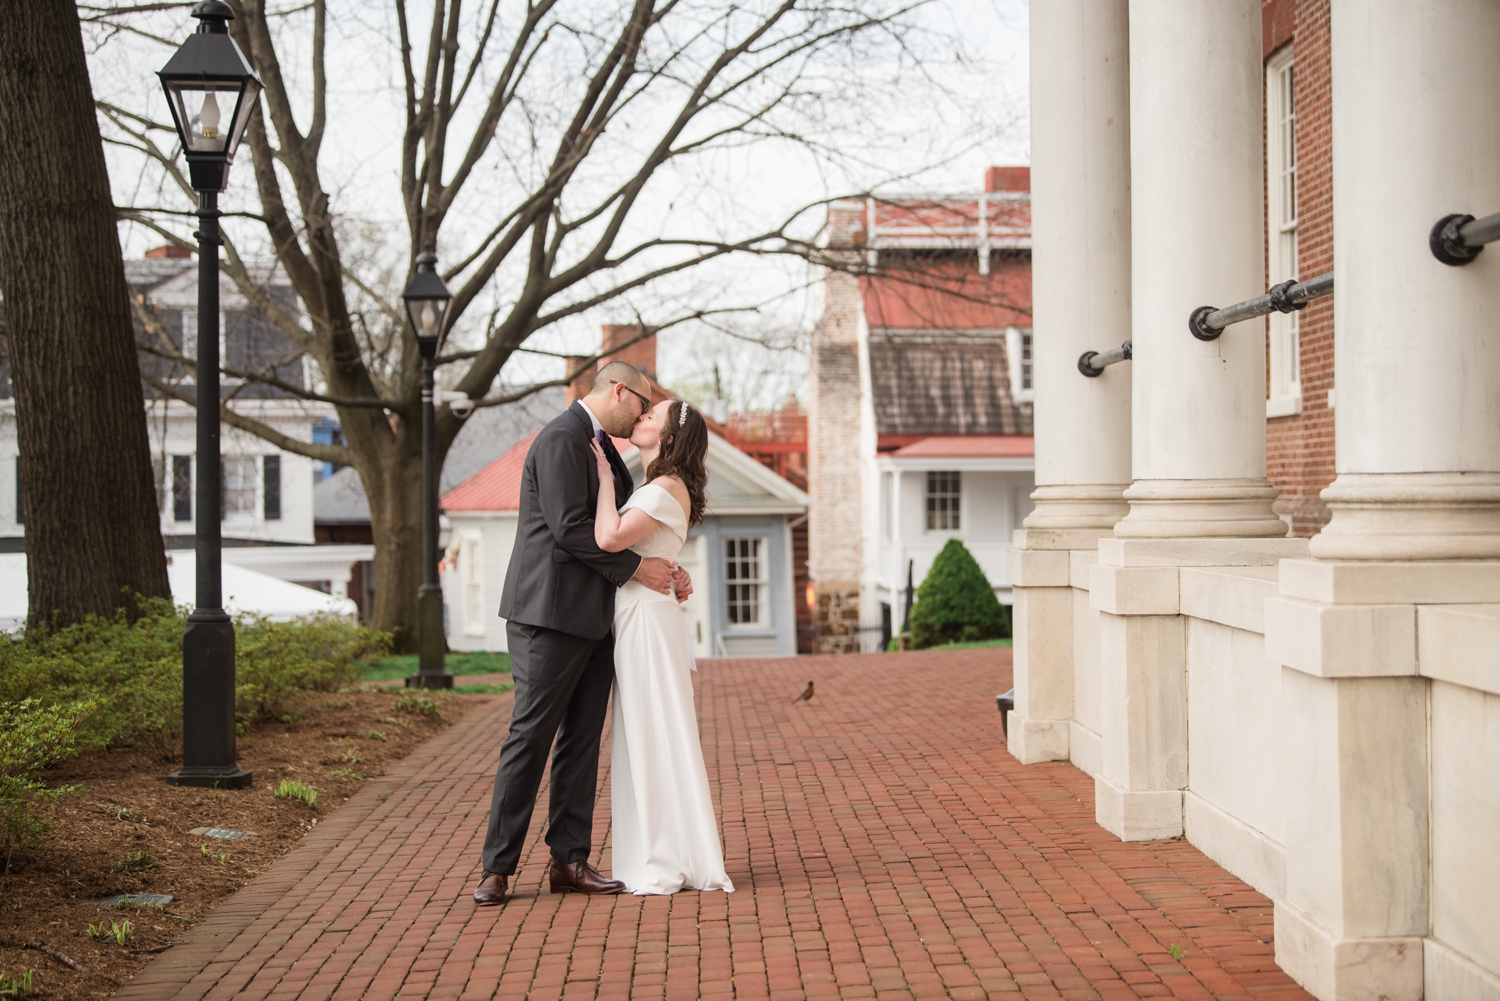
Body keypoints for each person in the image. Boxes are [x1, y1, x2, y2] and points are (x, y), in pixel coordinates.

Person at [472, 362, 692, 906]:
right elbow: (571, 529)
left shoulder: (603, 448)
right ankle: (497, 869)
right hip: (546, 616)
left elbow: (619, 529)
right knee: (530, 737)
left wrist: (664, 564)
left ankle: (569, 861)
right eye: (640, 404)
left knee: (581, 743)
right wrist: (637, 571)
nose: (642, 414)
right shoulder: (560, 439)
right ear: (618, 390)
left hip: (597, 619)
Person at [588, 398, 734, 895]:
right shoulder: (658, 486)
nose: (643, 417)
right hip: (644, 614)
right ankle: (661, 850)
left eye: (654, 416)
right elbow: (652, 549)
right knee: (647, 734)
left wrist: (605, 481)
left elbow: (609, 537)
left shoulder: (665, 486)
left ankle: (665, 858)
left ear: (669, 439)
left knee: (652, 733)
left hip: (646, 620)